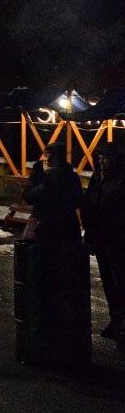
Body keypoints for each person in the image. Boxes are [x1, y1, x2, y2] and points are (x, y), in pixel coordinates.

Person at [81, 140, 125, 341]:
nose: (100, 161)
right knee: (109, 282)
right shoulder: (97, 179)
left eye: (105, 157)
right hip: (101, 239)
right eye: (99, 157)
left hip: (117, 239)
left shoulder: (121, 180)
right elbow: (89, 203)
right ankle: (116, 320)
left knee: (120, 281)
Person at [21, 142, 83, 245]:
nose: (47, 159)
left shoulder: (70, 176)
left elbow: (75, 201)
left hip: (64, 228)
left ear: (60, 158)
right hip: (40, 227)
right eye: (46, 155)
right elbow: (28, 197)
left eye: (52, 156)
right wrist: (48, 180)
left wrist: (53, 179)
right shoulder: (39, 173)